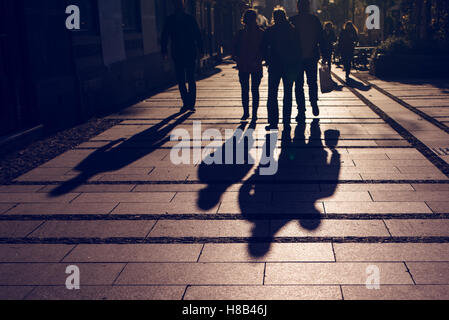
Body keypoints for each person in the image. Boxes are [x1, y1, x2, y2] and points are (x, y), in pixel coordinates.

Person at [263, 6, 301, 131]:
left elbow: (264, 48)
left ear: (274, 17)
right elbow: (298, 48)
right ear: (285, 16)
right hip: (289, 66)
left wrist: (267, 60)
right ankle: (286, 121)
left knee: (272, 94)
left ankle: (273, 122)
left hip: (274, 66)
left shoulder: (270, 31)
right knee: (288, 94)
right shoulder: (292, 29)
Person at [161, 0, 203, 112]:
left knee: (183, 79)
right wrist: (201, 50)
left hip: (180, 53)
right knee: (189, 78)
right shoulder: (189, 18)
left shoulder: (171, 19)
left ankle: (187, 103)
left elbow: (164, 36)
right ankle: (189, 103)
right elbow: (198, 35)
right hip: (187, 52)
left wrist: (164, 51)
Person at [290, 0, 325, 121]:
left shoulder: (293, 20)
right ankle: (314, 103)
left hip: (297, 58)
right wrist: (325, 55)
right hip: (311, 57)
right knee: (312, 82)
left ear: (298, 6)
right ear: (308, 7)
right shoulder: (314, 20)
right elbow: (322, 38)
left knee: (299, 85)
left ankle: (301, 111)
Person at [233, 9, 265, 123]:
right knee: (254, 90)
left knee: (245, 90)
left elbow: (234, 50)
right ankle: (254, 114)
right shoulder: (261, 33)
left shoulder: (240, 33)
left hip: (244, 65)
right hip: (255, 65)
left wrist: (237, 58)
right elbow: (265, 50)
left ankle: (246, 112)